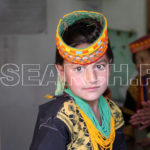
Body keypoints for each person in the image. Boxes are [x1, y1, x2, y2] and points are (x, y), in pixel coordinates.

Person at [30, 10, 127, 150]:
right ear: (62, 72)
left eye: (99, 66)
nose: (92, 78)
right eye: (79, 69)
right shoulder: (59, 117)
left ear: (110, 66)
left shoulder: (113, 111)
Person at [122, 35, 150, 149]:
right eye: (136, 61)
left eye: (142, 60)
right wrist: (125, 136)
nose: (138, 65)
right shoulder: (136, 84)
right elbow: (129, 112)